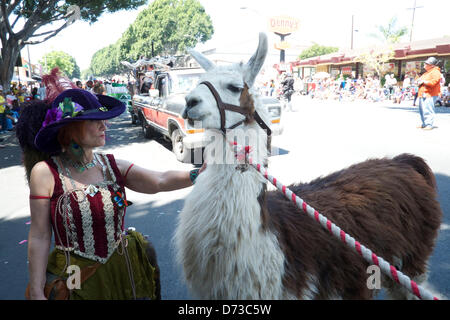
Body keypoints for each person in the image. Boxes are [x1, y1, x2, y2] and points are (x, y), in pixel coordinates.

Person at [16, 69, 206, 300]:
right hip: (76, 278)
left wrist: (200, 174)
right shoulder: (45, 173)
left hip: (123, 269)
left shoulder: (112, 166)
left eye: (102, 119)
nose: (104, 126)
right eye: (94, 121)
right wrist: (36, 289)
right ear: (70, 129)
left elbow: (159, 181)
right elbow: (39, 234)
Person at [416, 57, 442, 130]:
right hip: (423, 93)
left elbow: (434, 82)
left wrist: (424, 82)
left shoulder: (436, 72)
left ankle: (429, 124)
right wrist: (418, 82)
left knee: (428, 109)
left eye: (427, 63)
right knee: (422, 110)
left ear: (432, 65)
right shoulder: (426, 73)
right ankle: (424, 123)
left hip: (430, 94)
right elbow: (420, 80)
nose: (424, 65)